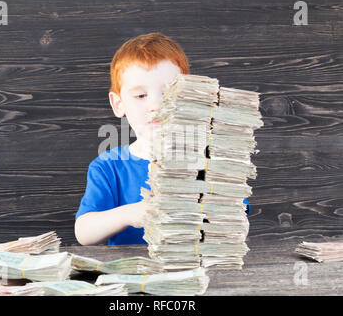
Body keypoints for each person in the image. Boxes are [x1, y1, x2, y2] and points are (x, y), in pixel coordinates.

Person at [74, 32, 250, 246]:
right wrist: (129, 214)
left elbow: (239, 225)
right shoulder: (108, 167)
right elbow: (83, 233)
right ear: (118, 104)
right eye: (140, 96)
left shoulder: (210, 162)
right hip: (131, 276)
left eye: (169, 93)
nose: (156, 106)